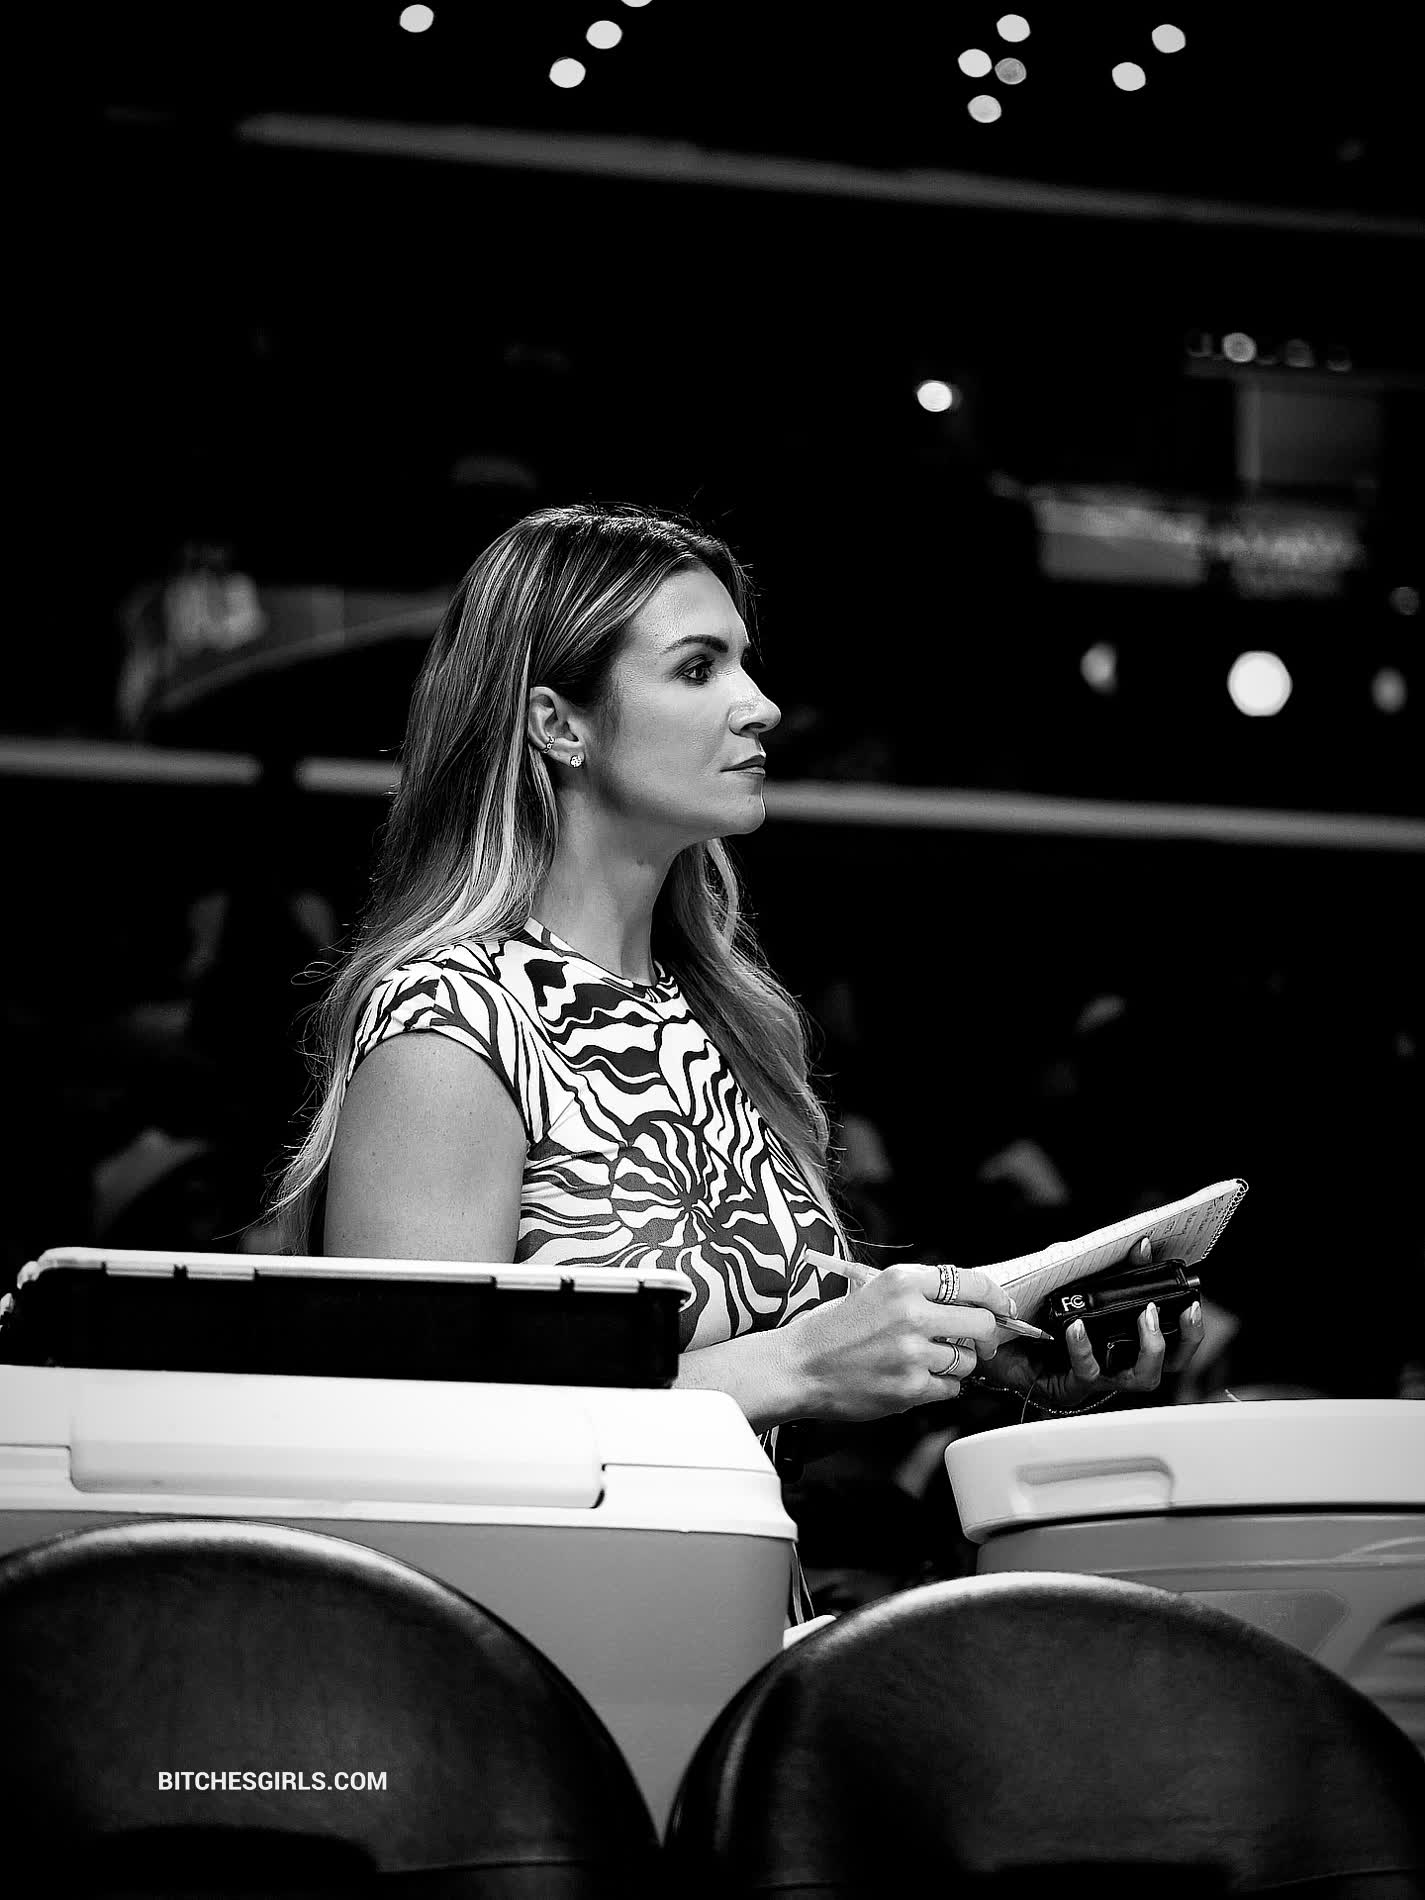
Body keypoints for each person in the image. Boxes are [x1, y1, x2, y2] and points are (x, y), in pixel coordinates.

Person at [263, 502, 1203, 1619]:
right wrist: (798, 1366)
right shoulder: (451, 1019)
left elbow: (757, 1381)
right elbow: (410, 1433)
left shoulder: (717, 1017)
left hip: (736, 1635)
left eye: (744, 664)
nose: (760, 705)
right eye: (698, 668)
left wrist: (992, 1353)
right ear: (557, 725)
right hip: (542, 1661)